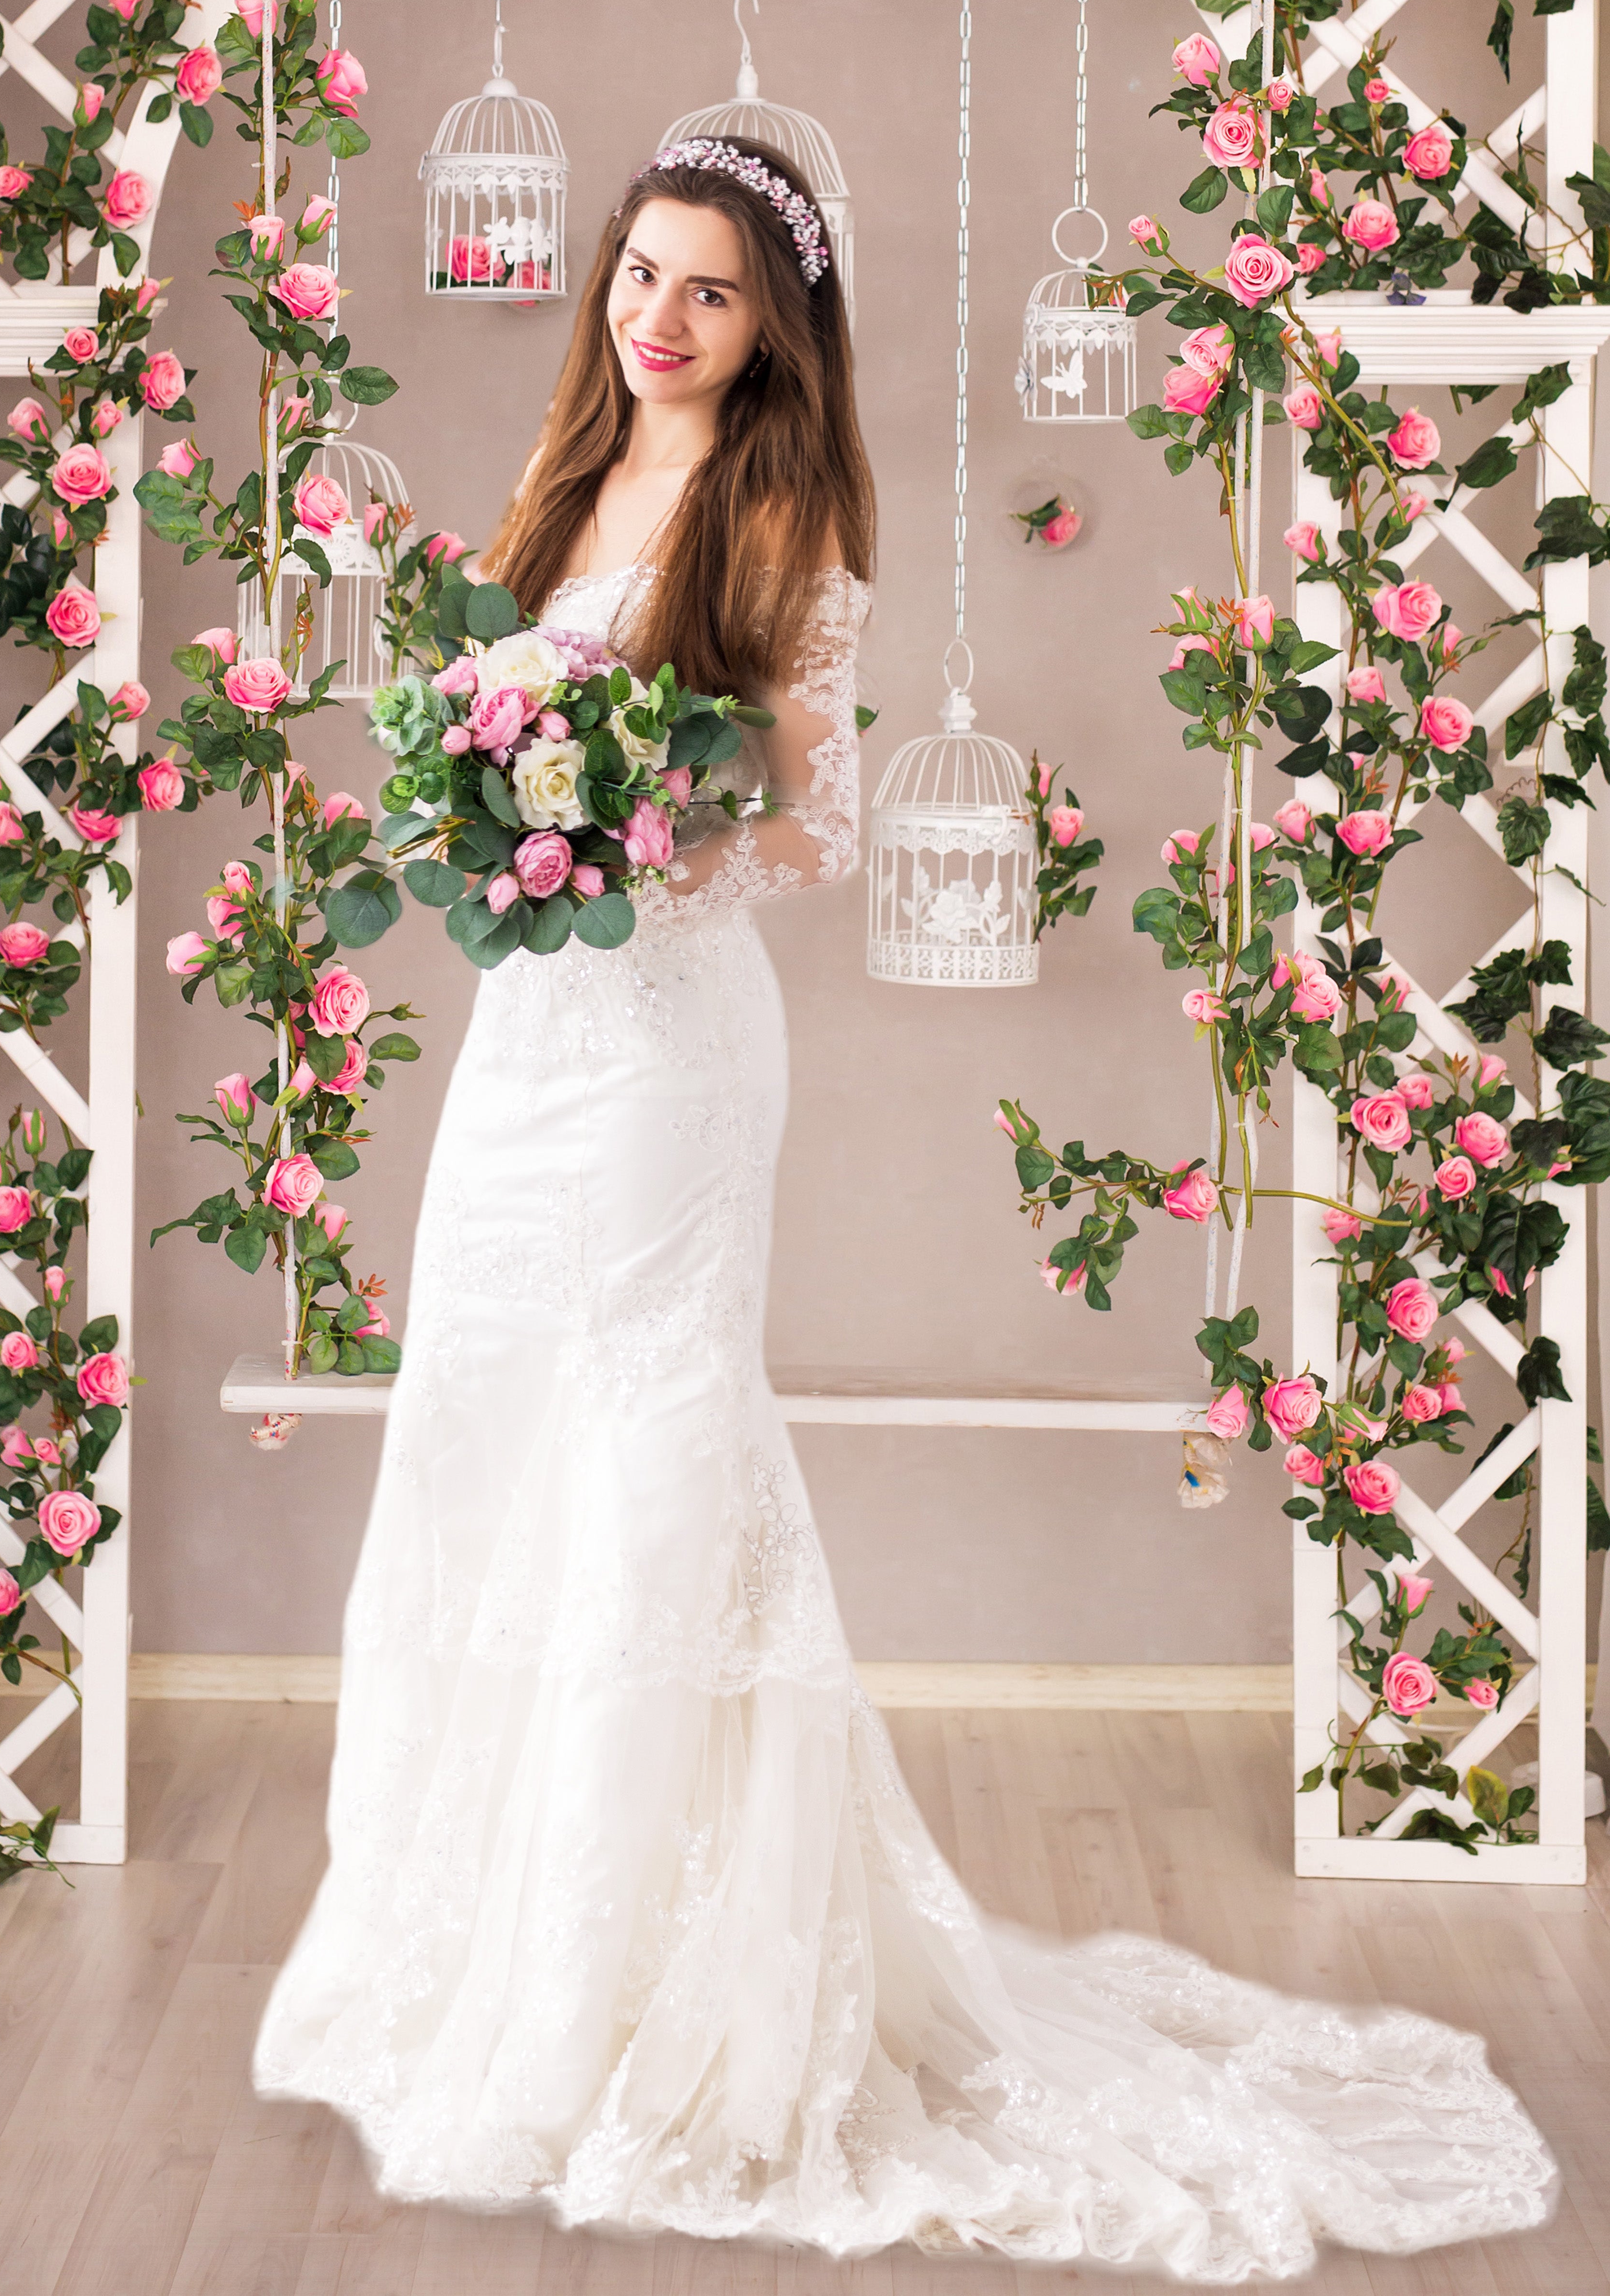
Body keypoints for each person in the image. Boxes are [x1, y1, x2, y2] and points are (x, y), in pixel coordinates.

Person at [253, 137, 1557, 2271]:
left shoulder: (784, 517)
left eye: (711, 292)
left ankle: (645, 1998)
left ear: (777, 326)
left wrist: (632, 830)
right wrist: (486, 812)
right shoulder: (559, 489)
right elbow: (471, 744)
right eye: (642, 275)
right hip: (526, 1050)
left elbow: (815, 827)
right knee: (490, 1422)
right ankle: (478, 1943)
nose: (661, 319)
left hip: (671, 1057)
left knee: (658, 1446)